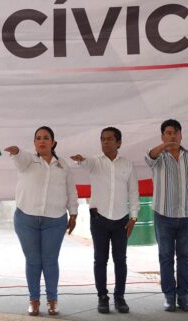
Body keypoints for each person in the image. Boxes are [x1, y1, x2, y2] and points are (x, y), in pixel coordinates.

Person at [5, 126, 78, 316]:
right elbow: (19, 159)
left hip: (54, 220)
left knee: (50, 261)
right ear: (34, 143)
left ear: (53, 142)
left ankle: (52, 300)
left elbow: (71, 191)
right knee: (33, 261)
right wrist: (16, 152)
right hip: (26, 219)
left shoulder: (62, 165)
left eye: (46, 138)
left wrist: (74, 214)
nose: (42, 141)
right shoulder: (28, 160)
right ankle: (34, 300)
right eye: (38, 138)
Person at [71, 127, 139, 314]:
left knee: (120, 260)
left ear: (119, 142)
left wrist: (133, 217)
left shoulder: (127, 164)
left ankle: (120, 298)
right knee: (100, 260)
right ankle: (102, 297)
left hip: (121, 220)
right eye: (102, 139)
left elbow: (133, 192)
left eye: (110, 139)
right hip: (99, 220)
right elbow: (85, 163)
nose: (105, 142)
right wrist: (80, 159)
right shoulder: (95, 162)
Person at [145, 119, 188, 312]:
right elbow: (149, 155)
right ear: (162, 136)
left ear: (181, 135)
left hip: (187, 215)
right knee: (165, 257)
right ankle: (169, 297)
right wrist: (165, 146)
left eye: (175, 133)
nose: (172, 136)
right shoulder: (158, 158)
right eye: (168, 133)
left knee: (185, 257)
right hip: (163, 215)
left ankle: (184, 297)